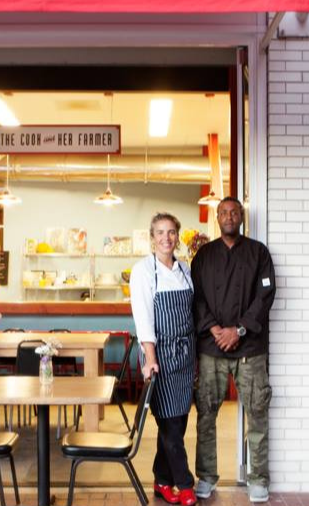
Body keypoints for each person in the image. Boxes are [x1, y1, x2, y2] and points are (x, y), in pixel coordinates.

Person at [191, 197, 276, 503]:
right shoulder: (203, 256)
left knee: (257, 412)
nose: (229, 216)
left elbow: (265, 295)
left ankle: (258, 479)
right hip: (211, 348)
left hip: (250, 347)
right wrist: (216, 329)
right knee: (206, 415)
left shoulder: (258, 253)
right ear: (217, 217)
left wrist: (238, 330)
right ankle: (207, 477)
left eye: (234, 212)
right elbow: (196, 298)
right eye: (224, 212)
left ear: (241, 216)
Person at [129, 212, 197, 506]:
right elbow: (143, 318)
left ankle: (161, 480)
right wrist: (150, 358)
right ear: (151, 237)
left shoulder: (184, 270)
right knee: (169, 425)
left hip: (185, 357)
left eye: (171, 232)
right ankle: (185, 484)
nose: (166, 238)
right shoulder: (144, 270)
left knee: (178, 423)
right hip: (161, 359)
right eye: (160, 232)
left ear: (177, 236)